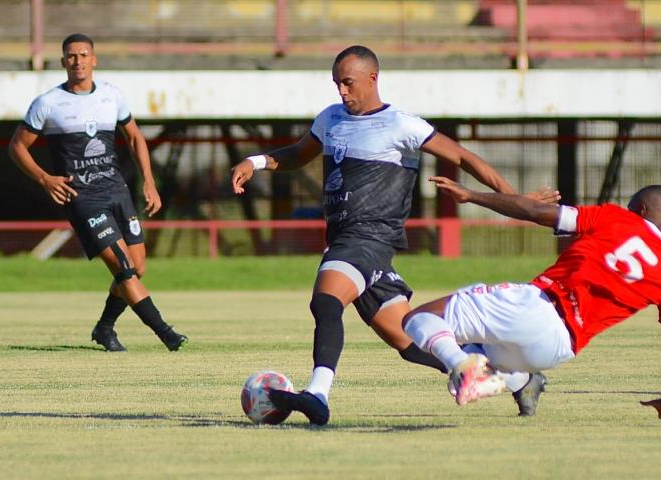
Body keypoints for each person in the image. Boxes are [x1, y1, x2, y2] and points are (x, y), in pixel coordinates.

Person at [231, 45, 553, 425]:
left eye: (348, 83)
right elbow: (299, 154)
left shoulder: (403, 125)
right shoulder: (330, 119)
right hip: (350, 242)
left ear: (373, 78)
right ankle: (519, 377)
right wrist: (255, 162)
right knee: (411, 342)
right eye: (337, 84)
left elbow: (465, 158)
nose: (342, 93)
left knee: (326, 301)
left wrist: (516, 201)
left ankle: (318, 393)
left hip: (368, 238)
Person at [403, 180, 661, 425]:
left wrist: (472, 196)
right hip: (556, 350)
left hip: (538, 307)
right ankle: (522, 381)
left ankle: (465, 370)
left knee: (420, 319)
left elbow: (536, 211)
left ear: (640, 211)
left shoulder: (617, 218)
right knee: (471, 344)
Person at [8, 33, 187, 352]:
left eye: (83, 55)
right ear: (63, 62)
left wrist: (148, 180)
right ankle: (166, 333)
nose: (77, 61)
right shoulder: (48, 103)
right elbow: (17, 147)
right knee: (123, 268)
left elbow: (134, 138)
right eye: (71, 56)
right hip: (83, 199)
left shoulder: (111, 96)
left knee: (138, 266)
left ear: (94, 59)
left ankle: (104, 329)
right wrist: (45, 178)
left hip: (117, 191)